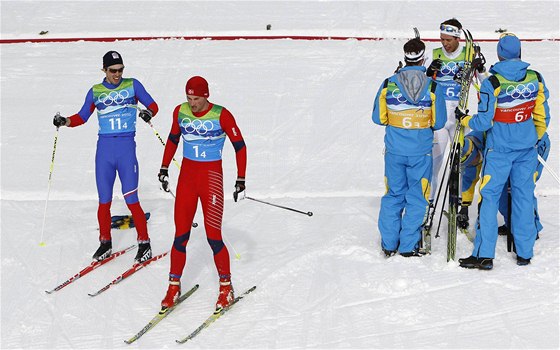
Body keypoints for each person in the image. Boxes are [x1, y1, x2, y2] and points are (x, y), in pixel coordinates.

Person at [52, 51, 158, 263]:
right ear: (104, 70)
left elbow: (153, 105)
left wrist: (149, 113)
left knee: (131, 199)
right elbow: (82, 117)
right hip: (105, 152)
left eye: (120, 70)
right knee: (104, 201)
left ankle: (144, 242)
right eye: (112, 71)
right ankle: (105, 243)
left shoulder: (133, 85)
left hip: (126, 149)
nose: (117, 74)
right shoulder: (96, 91)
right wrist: (64, 121)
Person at [456, 33, 550, 269]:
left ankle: (484, 255)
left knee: (488, 198)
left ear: (499, 53)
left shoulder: (493, 83)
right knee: (523, 197)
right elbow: (542, 116)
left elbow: (485, 122)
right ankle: (524, 252)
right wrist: (532, 137)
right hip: (526, 149)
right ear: (520, 52)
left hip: (499, 151)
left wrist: (466, 119)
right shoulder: (535, 78)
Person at [158, 76, 247, 312]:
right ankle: (173, 286)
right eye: (188, 98)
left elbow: (240, 146)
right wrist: (164, 168)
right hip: (187, 178)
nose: (192, 103)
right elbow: (173, 139)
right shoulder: (180, 112)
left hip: (211, 179)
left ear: (206, 96)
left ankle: (226, 287)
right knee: (180, 236)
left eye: (196, 98)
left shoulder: (221, 114)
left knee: (213, 236)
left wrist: (241, 178)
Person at [372, 38, 447, 257]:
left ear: (405, 58)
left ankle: (389, 243)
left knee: (394, 195)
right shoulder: (433, 86)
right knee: (417, 197)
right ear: (423, 58)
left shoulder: (388, 83)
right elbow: (439, 123)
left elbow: (378, 118)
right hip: (420, 152)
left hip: (395, 151)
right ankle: (408, 245)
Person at [425, 18, 485, 205]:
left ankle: (459, 201)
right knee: (434, 162)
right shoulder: (435, 54)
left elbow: (485, 83)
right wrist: (427, 73)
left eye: (448, 40)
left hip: (460, 118)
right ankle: (430, 201)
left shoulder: (469, 54)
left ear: (458, 37)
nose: (444, 43)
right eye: (442, 39)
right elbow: (421, 84)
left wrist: (480, 68)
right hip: (440, 117)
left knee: (462, 162)